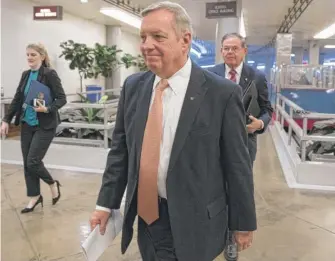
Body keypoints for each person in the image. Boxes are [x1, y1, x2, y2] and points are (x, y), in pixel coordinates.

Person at [90, 2, 256, 261]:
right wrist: (105, 204)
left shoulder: (221, 93)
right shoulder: (134, 87)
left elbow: (237, 164)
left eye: (158, 36)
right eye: (143, 37)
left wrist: (243, 222)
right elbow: (120, 152)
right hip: (148, 218)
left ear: (185, 40)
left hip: (197, 220)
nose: (146, 45)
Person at [209, 33, 273, 261]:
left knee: (238, 188)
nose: (230, 52)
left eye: (234, 48)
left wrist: (260, 123)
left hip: (245, 143)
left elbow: (267, 109)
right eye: (226, 48)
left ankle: (233, 237)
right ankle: (218, 235)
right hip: (214, 144)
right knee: (216, 189)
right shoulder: (211, 74)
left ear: (244, 51)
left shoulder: (256, 77)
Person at [0, 43, 67, 214]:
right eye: (28, 54)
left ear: (42, 57)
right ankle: (34, 196)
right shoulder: (25, 75)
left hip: (45, 124)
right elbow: (17, 98)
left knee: (33, 161)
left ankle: (52, 184)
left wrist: (48, 108)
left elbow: (61, 98)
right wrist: (6, 120)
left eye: (33, 55)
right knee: (27, 164)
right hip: (27, 124)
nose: (29, 57)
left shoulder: (49, 74)